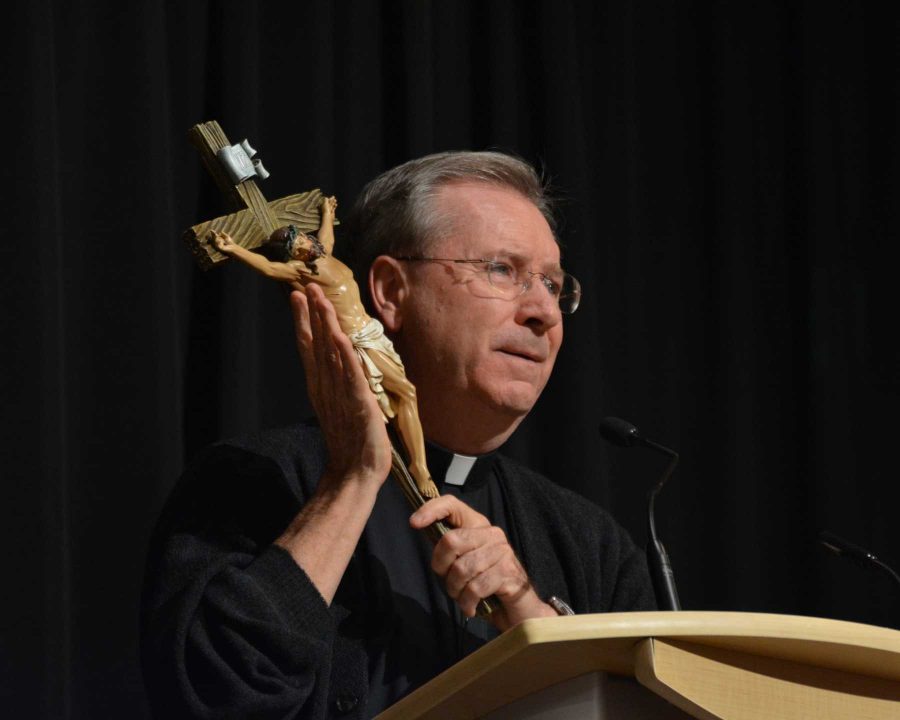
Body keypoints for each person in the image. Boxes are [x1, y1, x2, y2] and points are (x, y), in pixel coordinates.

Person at [141, 151, 656, 720]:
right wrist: (351, 481)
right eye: (501, 270)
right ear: (389, 290)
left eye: (554, 284)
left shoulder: (593, 544)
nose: (543, 312)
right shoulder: (252, 480)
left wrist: (529, 615)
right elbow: (210, 695)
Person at [208, 196, 438, 500]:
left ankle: (416, 463)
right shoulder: (301, 272)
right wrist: (234, 249)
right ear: (294, 256)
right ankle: (419, 467)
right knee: (403, 394)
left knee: (403, 396)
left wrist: (327, 213)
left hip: (373, 332)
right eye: (299, 245)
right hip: (357, 342)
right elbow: (267, 267)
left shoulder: (323, 255)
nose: (307, 243)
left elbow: (325, 238)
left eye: (304, 237)